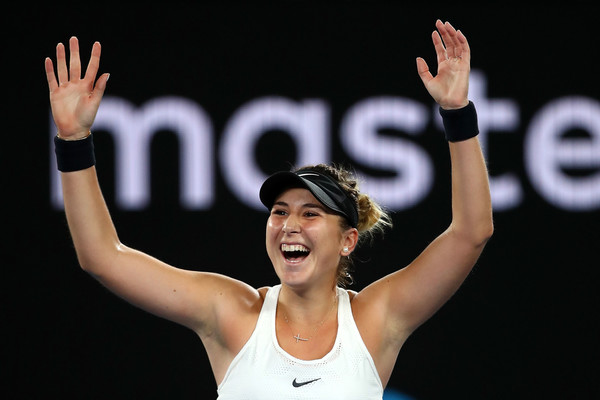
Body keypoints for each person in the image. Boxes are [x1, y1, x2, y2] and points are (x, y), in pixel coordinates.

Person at [45, 19, 493, 399]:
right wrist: (72, 141)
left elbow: (471, 231)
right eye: (279, 211)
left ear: (347, 240)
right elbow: (102, 256)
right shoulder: (230, 312)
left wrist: (457, 113)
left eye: (310, 214)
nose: (288, 225)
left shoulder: (375, 319)